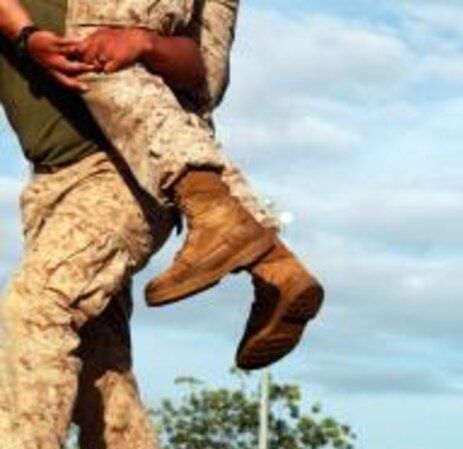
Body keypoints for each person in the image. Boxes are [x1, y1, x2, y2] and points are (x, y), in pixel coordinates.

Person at [0, 0, 211, 449]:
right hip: (48, 184)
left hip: (124, 170)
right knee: (97, 362)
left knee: (38, 306)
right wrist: (25, 40)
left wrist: (142, 44)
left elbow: (202, 70)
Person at [0, 0, 323, 370]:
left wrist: (27, 37)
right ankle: (272, 264)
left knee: (97, 38)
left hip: (119, 173)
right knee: (97, 356)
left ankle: (218, 217)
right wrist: (145, 43)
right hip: (115, 163)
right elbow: (198, 75)